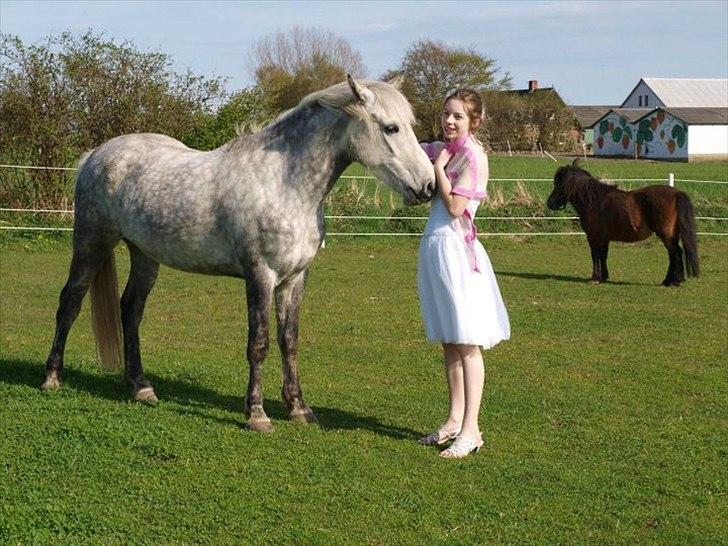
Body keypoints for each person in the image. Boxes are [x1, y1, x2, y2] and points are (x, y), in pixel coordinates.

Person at [417, 89, 510, 459]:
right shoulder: (446, 148)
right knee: (449, 340)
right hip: (438, 249)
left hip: (458, 253)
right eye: (445, 114)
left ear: (475, 121)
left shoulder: (470, 156)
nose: (449, 121)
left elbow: (456, 207)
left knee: (467, 342)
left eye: (457, 116)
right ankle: (454, 419)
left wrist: (438, 169)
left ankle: (472, 428)